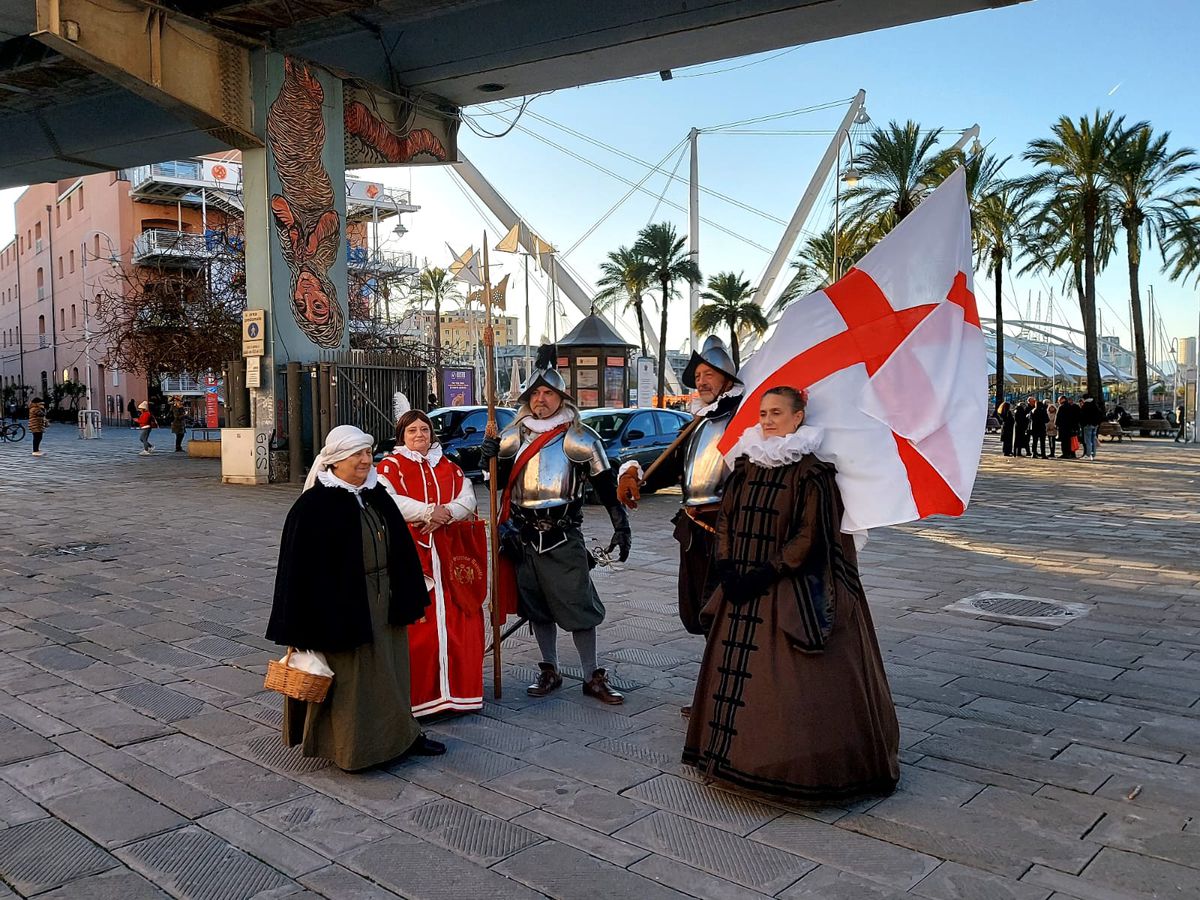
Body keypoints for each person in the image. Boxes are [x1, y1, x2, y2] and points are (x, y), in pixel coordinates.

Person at [683, 386, 900, 801]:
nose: (766, 420)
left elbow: (810, 536)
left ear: (798, 417)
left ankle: (788, 767)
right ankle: (725, 759)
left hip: (788, 589)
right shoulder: (746, 465)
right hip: (740, 585)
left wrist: (767, 572)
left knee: (792, 687)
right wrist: (727, 567)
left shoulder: (812, 473)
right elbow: (727, 519)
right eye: (763, 412)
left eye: (776, 413)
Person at [267, 424, 446, 771]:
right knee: (354, 683)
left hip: (385, 604)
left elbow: (402, 552)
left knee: (392, 674)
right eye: (357, 454)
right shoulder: (313, 507)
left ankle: (403, 736)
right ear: (335, 460)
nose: (366, 460)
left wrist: (409, 596)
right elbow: (297, 573)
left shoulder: (377, 496)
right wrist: (304, 626)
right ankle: (356, 749)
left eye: (368, 453)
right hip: (342, 609)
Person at [479, 355, 631, 705]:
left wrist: (621, 527)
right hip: (523, 539)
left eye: (548, 393)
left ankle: (593, 675)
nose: (540, 400)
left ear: (562, 399)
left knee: (579, 609)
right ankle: (549, 669)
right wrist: (486, 457)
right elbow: (497, 486)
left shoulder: (580, 438)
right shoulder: (511, 437)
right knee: (537, 609)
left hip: (563, 538)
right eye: (534, 394)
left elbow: (606, 487)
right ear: (526, 399)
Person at [617, 335, 743, 637]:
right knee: (698, 608)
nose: (701, 382)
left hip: (729, 529)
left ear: (727, 378)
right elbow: (670, 466)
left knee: (727, 611)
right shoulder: (698, 422)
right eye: (697, 376)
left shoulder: (742, 419)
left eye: (708, 374)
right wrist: (633, 475)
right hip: (694, 530)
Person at [377, 410, 484, 717]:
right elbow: (389, 500)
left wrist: (445, 514)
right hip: (411, 555)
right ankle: (422, 698)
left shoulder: (449, 467)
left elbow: (468, 500)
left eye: (424, 429)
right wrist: (427, 512)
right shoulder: (390, 466)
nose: (419, 435)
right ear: (402, 436)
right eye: (412, 431)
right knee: (419, 628)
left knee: (455, 623)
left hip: (449, 554)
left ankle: (458, 694)